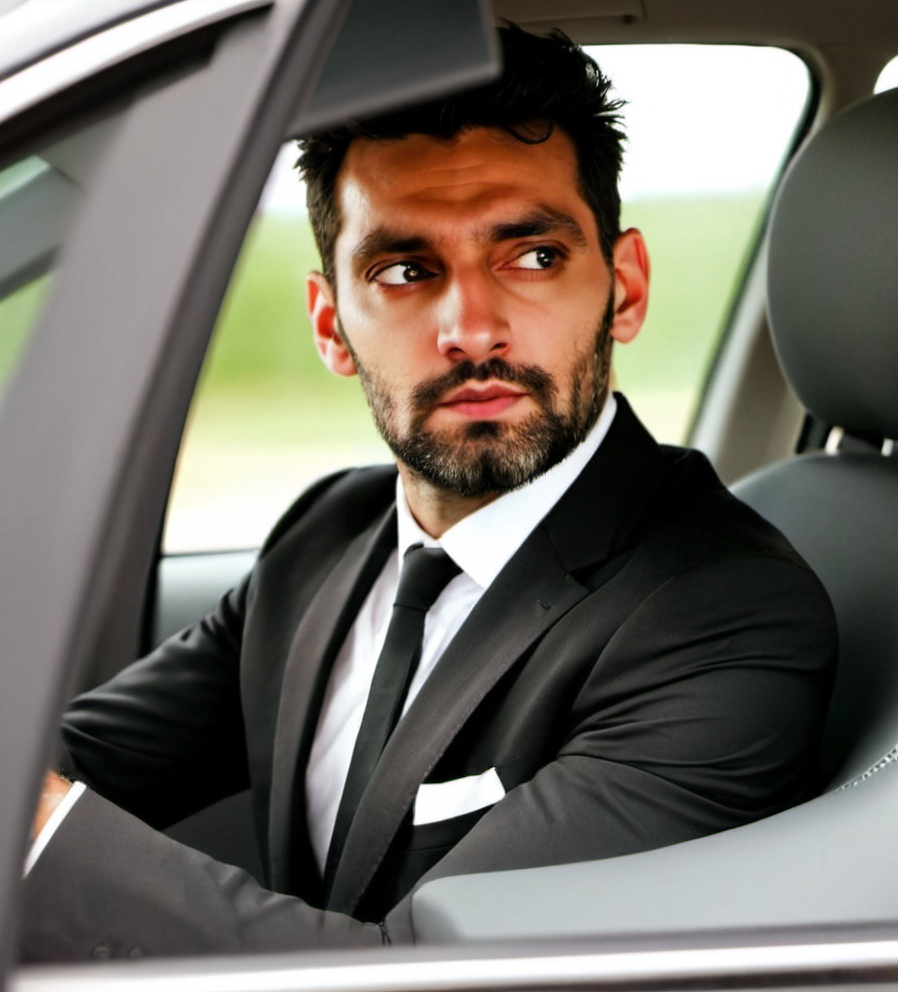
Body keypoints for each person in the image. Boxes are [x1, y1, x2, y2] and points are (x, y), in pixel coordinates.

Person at [19, 25, 837, 961]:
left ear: (623, 288)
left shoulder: (724, 616)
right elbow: (72, 763)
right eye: (406, 271)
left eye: (531, 256)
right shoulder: (325, 532)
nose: (473, 329)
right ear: (332, 326)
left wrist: (37, 825)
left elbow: (421, 980)